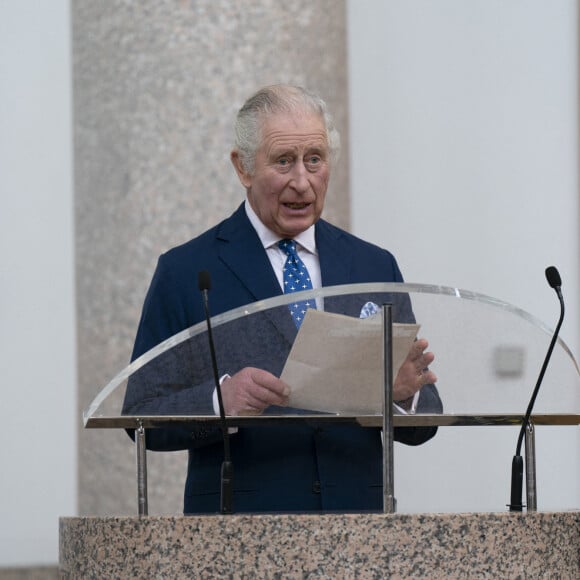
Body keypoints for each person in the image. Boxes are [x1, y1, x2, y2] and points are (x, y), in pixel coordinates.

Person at [124, 84, 442, 513]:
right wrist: (221, 403)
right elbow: (141, 413)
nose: (301, 181)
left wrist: (400, 395)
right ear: (243, 168)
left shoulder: (373, 266)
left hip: (359, 530)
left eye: (315, 159)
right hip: (237, 532)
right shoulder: (186, 271)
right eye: (283, 161)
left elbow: (425, 421)